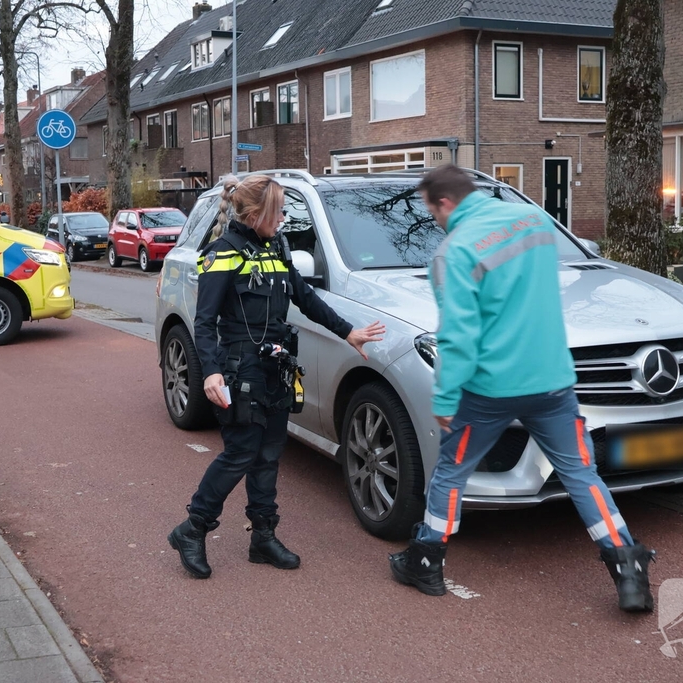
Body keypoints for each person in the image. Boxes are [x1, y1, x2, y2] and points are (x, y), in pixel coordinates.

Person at [388, 165, 655, 612]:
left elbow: (457, 333)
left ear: (445, 202)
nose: (434, 218)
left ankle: (425, 559)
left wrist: (446, 396)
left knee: (451, 471)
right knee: (581, 474)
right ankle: (628, 568)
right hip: (552, 379)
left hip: (490, 389)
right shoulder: (531, 221)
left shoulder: (452, 254)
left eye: (431, 209)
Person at [168, 174, 385, 579]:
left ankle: (262, 537)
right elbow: (204, 322)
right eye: (279, 209)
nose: (284, 217)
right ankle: (192, 529)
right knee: (240, 454)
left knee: (269, 454)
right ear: (255, 214)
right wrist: (212, 373)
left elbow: (305, 297)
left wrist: (348, 332)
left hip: (276, 367)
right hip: (240, 369)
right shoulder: (222, 253)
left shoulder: (277, 248)